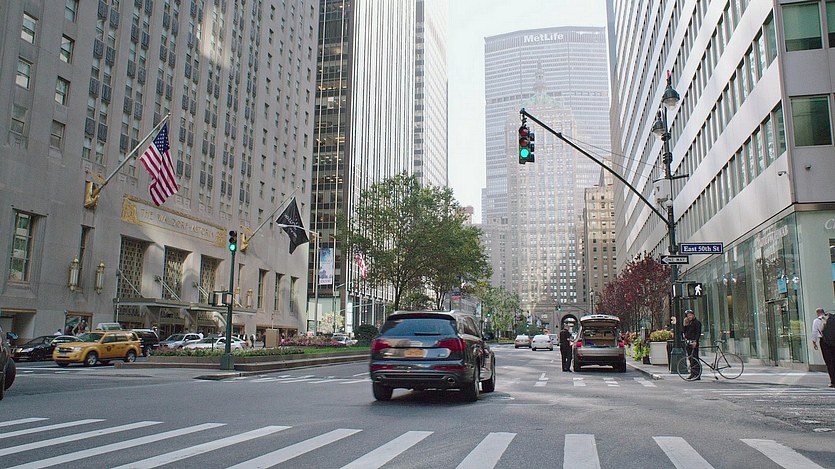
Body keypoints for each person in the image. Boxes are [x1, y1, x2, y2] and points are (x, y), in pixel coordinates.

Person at [810, 307, 835, 388]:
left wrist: (814, 342)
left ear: (817, 313)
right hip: (834, 340)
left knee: (829, 362)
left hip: (824, 342)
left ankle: (833, 381)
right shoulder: (832, 319)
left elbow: (814, 332)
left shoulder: (817, 321)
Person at [682, 309, 702, 380]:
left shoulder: (697, 322)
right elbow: (684, 332)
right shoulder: (688, 323)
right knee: (690, 358)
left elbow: (698, 333)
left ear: (693, 315)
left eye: (690, 315)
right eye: (688, 316)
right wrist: (685, 325)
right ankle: (692, 373)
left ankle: (697, 374)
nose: (689, 317)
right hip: (688, 342)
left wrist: (695, 341)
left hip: (694, 341)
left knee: (695, 357)